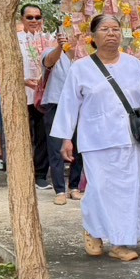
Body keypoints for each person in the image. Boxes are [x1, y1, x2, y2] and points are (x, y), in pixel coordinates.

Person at [54, 14, 140, 261]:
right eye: (105, 29)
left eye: (116, 29)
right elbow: (69, 105)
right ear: (93, 36)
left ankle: (121, 242)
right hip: (96, 139)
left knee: (128, 190)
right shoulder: (80, 68)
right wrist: (65, 139)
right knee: (100, 189)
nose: (112, 33)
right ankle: (93, 230)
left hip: (129, 139)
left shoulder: (134, 65)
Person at [42, 31, 86, 204]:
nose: (74, 38)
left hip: (81, 106)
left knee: (79, 147)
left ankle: (74, 187)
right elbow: (48, 62)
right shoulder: (51, 51)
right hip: (55, 103)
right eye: (71, 34)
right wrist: (61, 47)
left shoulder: (85, 56)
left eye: (78, 34)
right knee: (55, 148)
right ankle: (59, 190)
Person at [19, 5, 55, 188]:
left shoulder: (49, 40)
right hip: (20, 94)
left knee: (42, 135)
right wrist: (24, 81)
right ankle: (21, 174)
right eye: (30, 17)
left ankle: (40, 174)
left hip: (43, 94)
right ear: (22, 19)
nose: (34, 21)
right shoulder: (14, 40)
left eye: (37, 17)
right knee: (22, 136)